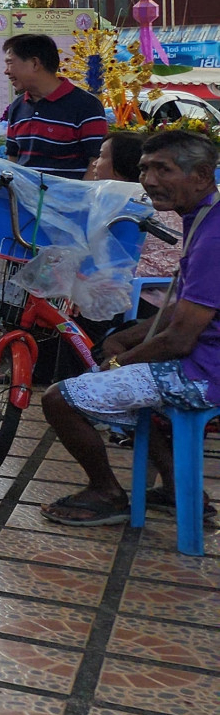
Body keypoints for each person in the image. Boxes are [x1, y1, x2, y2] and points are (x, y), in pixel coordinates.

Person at [38, 128, 218, 527]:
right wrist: (127, 338)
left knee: (59, 398)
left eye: (163, 169)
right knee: (125, 381)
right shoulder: (204, 217)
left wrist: (121, 362)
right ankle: (179, 490)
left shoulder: (214, 234)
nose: (149, 180)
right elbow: (184, 307)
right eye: (144, 169)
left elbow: (180, 338)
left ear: (202, 175)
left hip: (206, 374)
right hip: (206, 361)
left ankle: (106, 491)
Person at [1, 32, 108, 177]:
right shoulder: (17, 106)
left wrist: (84, 192)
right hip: (24, 191)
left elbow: (95, 160)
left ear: (35, 63)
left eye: (10, 63)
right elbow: (13, 157)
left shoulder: (86, 105)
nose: (6, 71)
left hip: (70, 191)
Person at [89, 128, 182, 285]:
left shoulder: (125, 205)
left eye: (101, 156)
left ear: (120, 164)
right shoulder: (163, 198)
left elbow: (109, 265)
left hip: (140, 289)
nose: (95, 163)